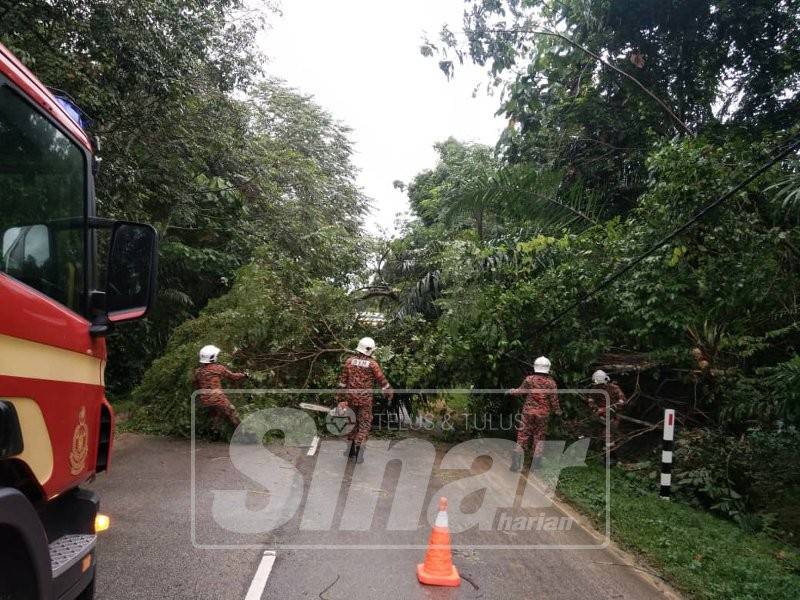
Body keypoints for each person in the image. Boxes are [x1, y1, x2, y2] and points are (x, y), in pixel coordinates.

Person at [336, 337, 394, 463]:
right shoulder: (373, 364)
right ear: (370, 350)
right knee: (364, 424)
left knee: (353, 423)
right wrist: (389, 392)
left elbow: (342, 382)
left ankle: (350, 451)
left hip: (350, 399)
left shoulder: (349, 361)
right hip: (365, 401)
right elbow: (382, 381)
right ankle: (358, 453)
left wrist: (339, 398)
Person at [509, 356, 561, 472]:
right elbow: (554, 401)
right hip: (543, 415)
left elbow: (519, 392)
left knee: (523, 436)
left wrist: (511, 391)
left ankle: (515, 463)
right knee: (539, 437)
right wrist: (558, 411)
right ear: (548, 368)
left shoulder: (529, 379)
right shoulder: (551, 383)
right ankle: (535, 465)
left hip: (527, 413)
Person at [194, 344, 247, 433]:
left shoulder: (198, 371)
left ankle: (214, 432)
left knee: (218, 413)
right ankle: (244, 433)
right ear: (212, 357)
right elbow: (233, 376)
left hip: (205, 400)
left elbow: (196, 384)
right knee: (232, 411)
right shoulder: (218, 368)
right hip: (217, 398)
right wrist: (245, 375)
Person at [587, 369, 627, 460]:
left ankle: (611, 457)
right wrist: (597, 409)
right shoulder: (594, 389)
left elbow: (623, 400)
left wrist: (612, 408)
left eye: (601, 385)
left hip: (614, 415)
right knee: (602, 435)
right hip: (600, 416)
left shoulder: (614, 388)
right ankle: (605, 453)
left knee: (607, 434)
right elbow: (590, 401)